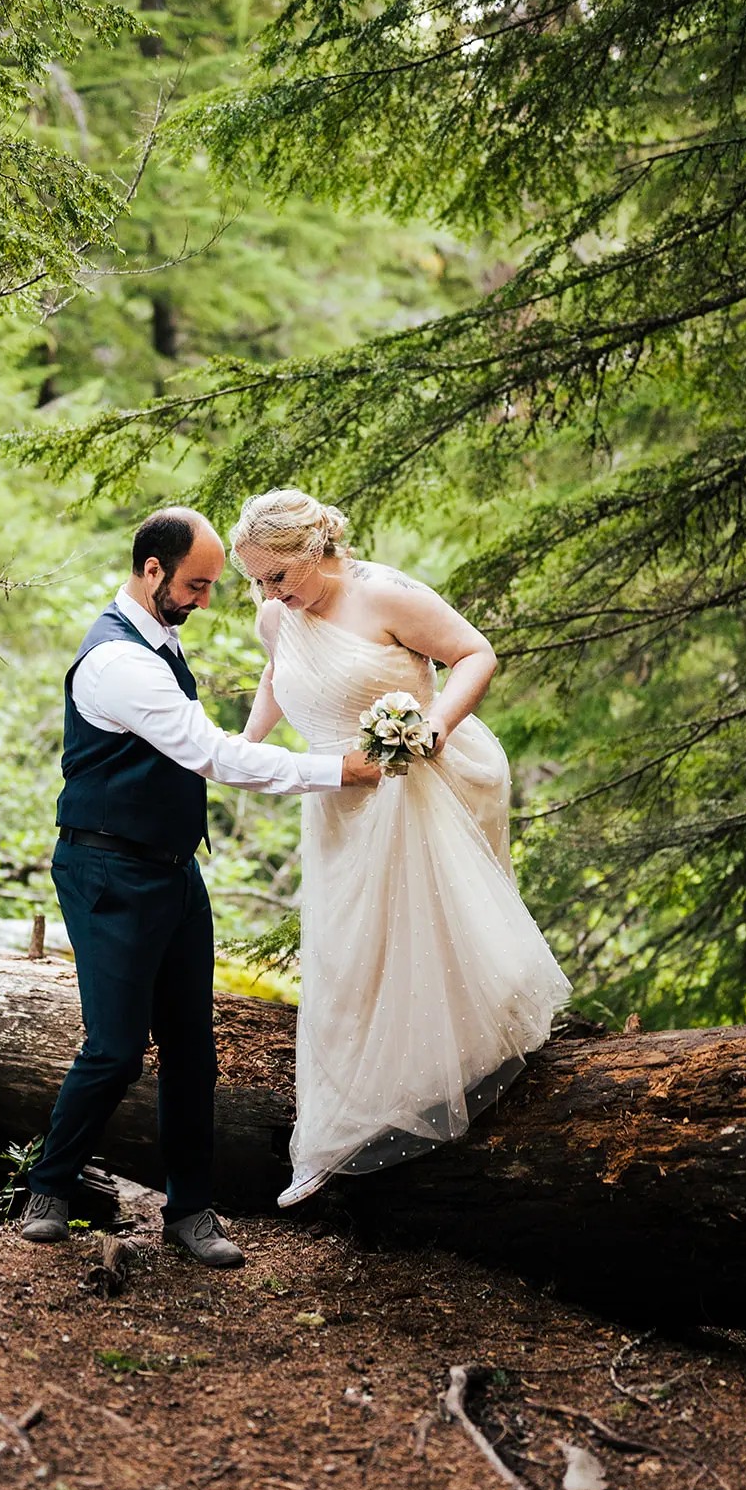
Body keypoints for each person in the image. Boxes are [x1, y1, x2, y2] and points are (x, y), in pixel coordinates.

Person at [19, 507, 379, 1265]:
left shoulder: (159, 635)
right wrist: (334, 771)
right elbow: (207, 754)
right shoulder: (119, 661)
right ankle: (48, 1186)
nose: (206, 601)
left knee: (192, 1050)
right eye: (197, 584)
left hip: (174, 872)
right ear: (152, 570)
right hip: (108, 871)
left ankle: (190, 1214)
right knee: (115, 1048)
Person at [230, 489, 572, 1207]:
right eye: (256, 581)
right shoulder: (276, 615)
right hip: (338, 800)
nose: (266, 594)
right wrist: (245, 744)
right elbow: (278, 672)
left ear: (315, 552)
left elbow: (476, 653)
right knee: (352, 950)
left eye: (277, 577)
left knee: (422, 930)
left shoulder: (386, 596)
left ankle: (457, 1067)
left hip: (413, 781)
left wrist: (433, 728)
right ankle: (358, 1103)